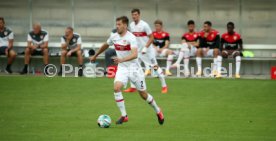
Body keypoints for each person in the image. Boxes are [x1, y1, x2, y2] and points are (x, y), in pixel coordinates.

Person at [90, 16, 164, 125]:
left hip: (134, 69)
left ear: (125, 25)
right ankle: (124, 115)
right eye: (116, 24)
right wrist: (95, 55)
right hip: (122, 68)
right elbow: (106, 45)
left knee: (143, 95)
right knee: (116, 88)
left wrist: (121, 59)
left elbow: (134, 54)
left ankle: (158, 111)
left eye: (119, 24)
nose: (117, 26)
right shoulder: (114, 36)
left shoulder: (131, 38)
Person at [124, 8, 168, 94]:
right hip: (137, 51)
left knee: (155, 67)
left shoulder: (144, 25)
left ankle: (164, 86)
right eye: (133, 15)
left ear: (139, 15)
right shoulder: (132, 25)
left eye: (136, 15)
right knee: (132, 67)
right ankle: (133, 87)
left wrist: (146, 47)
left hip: (148, 51)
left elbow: (151, 37)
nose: (134, 16)